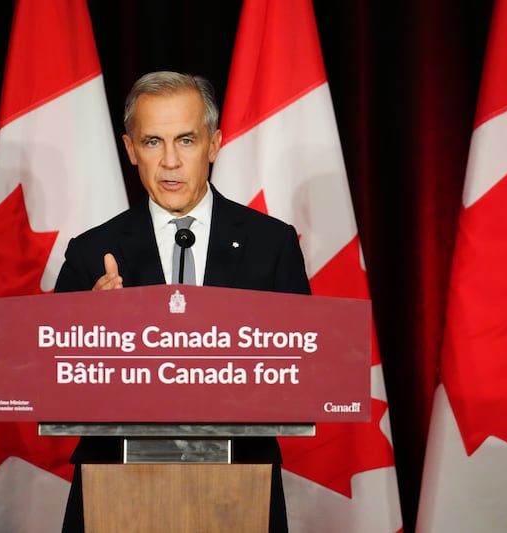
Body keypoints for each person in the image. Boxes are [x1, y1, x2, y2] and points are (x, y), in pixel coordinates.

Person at [55, 71, 310, 532]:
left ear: (214, 144)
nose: (170, 161)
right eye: (153, 142)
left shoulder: (271, 244)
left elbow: (304, 374)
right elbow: (52, 387)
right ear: (131, 150)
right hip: (117, 486)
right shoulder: (91, 252)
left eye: (186, 140)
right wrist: (87, 332)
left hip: (239, 486)